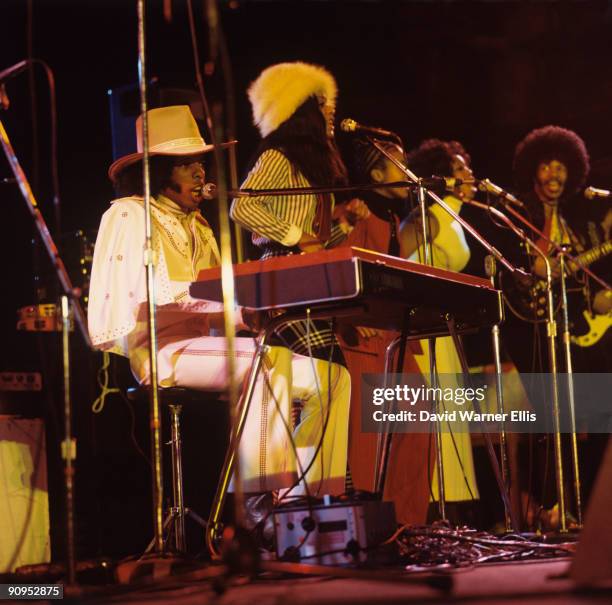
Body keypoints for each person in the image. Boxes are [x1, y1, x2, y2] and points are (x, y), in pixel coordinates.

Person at [88, 105, 350, 497]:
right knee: (266, 360)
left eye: (200, 163)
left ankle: (310, 497)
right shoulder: (128, 214)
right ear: (158, 173)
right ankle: (258, 497)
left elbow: (217, 302)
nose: (200, 173)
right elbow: (147, 297)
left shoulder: (201, 225)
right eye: (185, 165)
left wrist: (249, 313)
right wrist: (241, 308)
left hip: (203, 346)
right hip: (162, 352)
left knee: (333, 379)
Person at [230, 61, 370, 367]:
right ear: (302, 111)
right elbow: (241, 206)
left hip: (308, 279)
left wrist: (344, 224)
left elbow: (314, 244)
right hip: (281, 278)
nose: (332, 108)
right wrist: (297, 235)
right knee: (328, 366)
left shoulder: (315, 171)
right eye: (322, 102)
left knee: (325, 376)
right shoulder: (278, 157)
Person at [399, 138, 481, 524]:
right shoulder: (427, 217)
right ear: (443, 177)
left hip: (445, 327)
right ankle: (426, 507)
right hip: (423, 327)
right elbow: (400, 258)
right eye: (461, 169)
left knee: (452, 414)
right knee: (432, 413)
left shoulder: (455, 216)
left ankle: (449, 507)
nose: (470, 175)